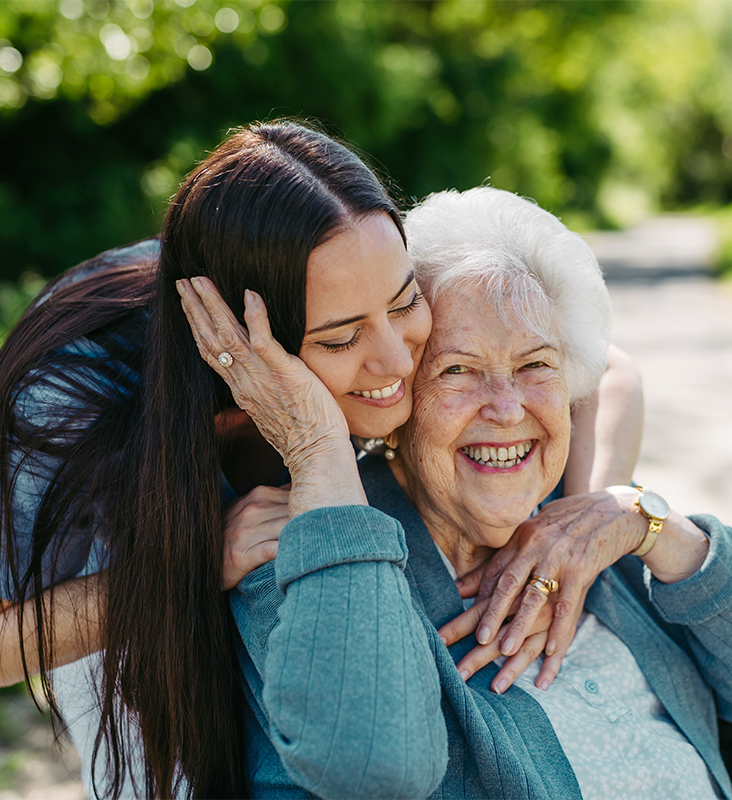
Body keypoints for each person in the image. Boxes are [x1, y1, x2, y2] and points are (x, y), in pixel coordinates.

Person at [0, 124, 641, 799]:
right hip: (129, 595)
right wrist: (195, 563)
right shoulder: (70, 398)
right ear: (246, 340)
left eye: (405, 304)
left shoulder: (352, 252)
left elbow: (607, 368)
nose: (395, 361)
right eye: (340, 339)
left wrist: (582, 521)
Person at [192, 187, 732, 798]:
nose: (508, 410)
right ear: (395, 400)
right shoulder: (314, 561)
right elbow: (373, 764)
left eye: (536, 365)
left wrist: (652, 528)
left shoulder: (595, 522)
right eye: (457, 370)